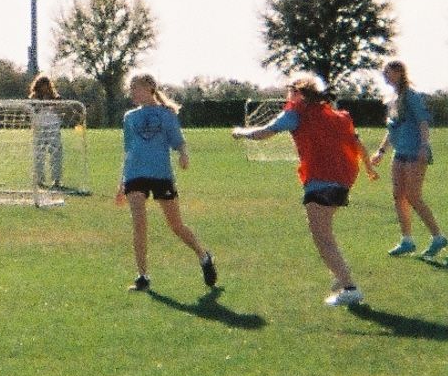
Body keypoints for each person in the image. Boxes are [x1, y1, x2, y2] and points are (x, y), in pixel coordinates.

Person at [233, 74, 377, 305]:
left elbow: (266, 132)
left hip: (321, 180)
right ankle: (341, 276)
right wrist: (369, 168)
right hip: (342, 181)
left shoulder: (297, 111)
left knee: (322, 238)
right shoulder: (335, 114)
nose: (286, 97)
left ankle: (350, 288)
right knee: (325, 234)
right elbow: (357, 144)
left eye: (289, 92)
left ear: (298, 93)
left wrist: (241, 132)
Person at [114, 74, 213, 292]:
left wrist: (183, 154)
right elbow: (128, 150)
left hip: (160, 174)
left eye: (135, 87)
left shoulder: (166, 114)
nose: (132, 92)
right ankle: (142, 276)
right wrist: (122, 182)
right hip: (135, 175)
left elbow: (178, 141)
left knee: (175, 225)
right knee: (139, 225)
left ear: (149, 88)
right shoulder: (129, 117)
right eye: (130, 88)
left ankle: (204, 256)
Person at [372, 60, 445, 258]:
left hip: (415, 152)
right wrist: (381, 151)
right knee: (398, 195)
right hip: (400, 152)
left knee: (413, 196)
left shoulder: (411, 96)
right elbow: (392, 128)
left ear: (398, 73)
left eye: (388, 73)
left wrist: (423, 146)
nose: (385, 76)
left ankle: (438, 237)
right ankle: (407, 240)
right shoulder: (393, 98)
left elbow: (423, 122)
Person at [28, 74, 70, 194]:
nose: (44, 88)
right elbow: (32, 111)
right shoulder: (33, 99)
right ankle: (39, 180)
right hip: (39, 129)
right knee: (39, 155)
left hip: (53, 128)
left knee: (56, 155)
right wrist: (40, 104)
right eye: (41, 86)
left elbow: (62, 110)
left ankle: (56, 180)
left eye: (46, 86)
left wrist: (54, 104)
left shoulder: (56, 98)